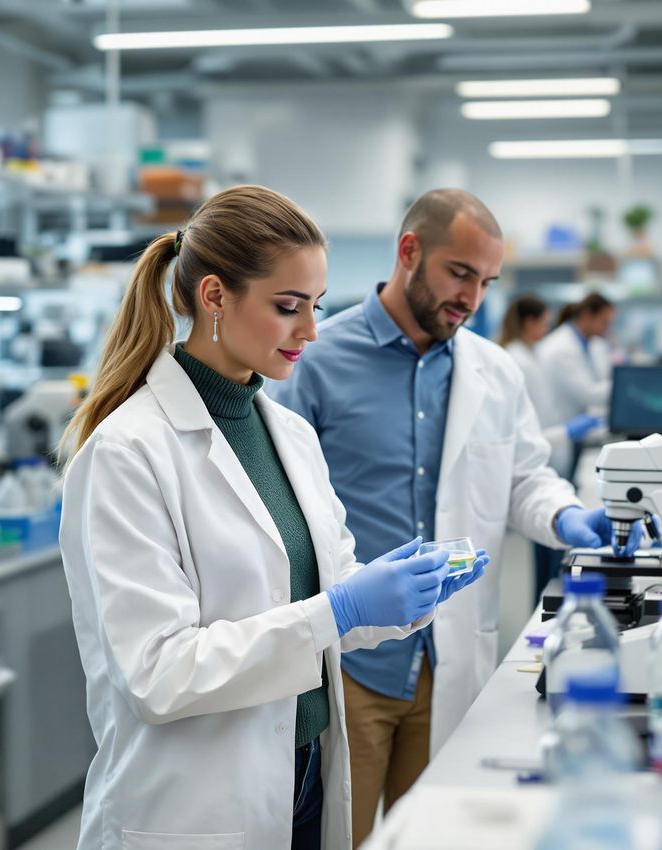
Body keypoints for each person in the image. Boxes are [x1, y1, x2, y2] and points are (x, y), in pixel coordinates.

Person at [57, 185, 488, 850]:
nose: (311, 331)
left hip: (306, 776)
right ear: (215, 298)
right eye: (288, 307)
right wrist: (339, 609)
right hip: (196, 806)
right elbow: (158, 675)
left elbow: (329, 599)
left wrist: (399, 595)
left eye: (315, 307)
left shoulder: (287, 434)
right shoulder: (126, 452)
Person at [269, 189, 640, 845]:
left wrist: (564, 515)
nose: (471, 297)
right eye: (459, 273)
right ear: (409, 251)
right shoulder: (317, 358)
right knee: (338, 835)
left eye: (486, 281)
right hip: (351, 662)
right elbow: (277, 502)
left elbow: (525, 476)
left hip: (448, 656)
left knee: (438, 835)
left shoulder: (494, 371)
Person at [499, 294, 606, 599]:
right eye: (544, 322)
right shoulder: (517, 360)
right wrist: (566, 432)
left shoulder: (530, 356)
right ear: (529, 322)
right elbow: (522, 437)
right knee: (546, 558)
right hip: (544, 449)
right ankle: (542, 605)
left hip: (549, 452)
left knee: (550, 552)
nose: (547, 329)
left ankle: (544, 603)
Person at [533, 292, 618, 477]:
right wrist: (625, 384)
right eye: (604, 322)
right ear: (587, 315)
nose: (607, 328)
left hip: (575, 433)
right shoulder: (560, 348)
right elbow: (590, 393)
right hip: (557, 429)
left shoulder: (592, 344)